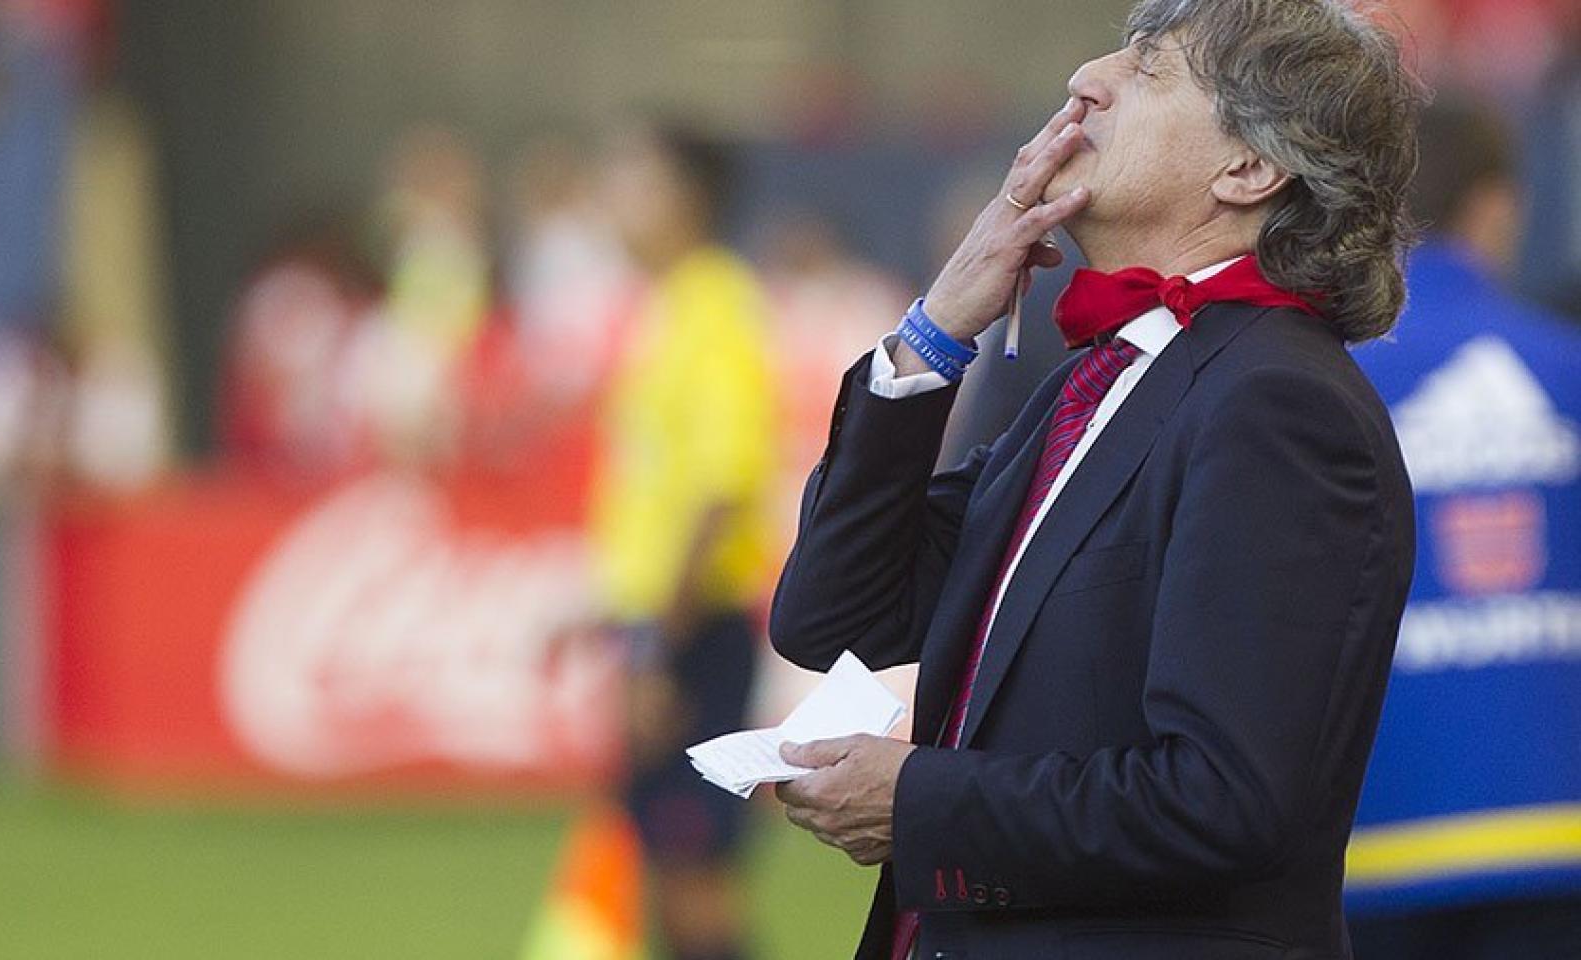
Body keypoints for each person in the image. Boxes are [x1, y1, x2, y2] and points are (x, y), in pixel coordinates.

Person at [766, 2, 1423, 958]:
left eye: (1150, 70)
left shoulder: (1278, 403)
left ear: (1248, 169)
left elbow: (1222, 799)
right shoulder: (1102, 380)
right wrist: (937, 331)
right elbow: (836, 614)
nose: (1085, 80)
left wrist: (919, 800)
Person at [1345, 100, 1581, 959]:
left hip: (1372, 842)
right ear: (1497, 206)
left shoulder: (1320, 387)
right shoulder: (1567, 366)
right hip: (1561, 836)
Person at [587, 122, 778, 960]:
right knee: (669, 874)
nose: (615, 199)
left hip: (689, 630)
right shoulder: (667, 308)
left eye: (635, 179)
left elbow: (719, 490)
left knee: (698, 885)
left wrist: (658, 650)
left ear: (688, 198)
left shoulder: (714, 306)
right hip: (664, 625)